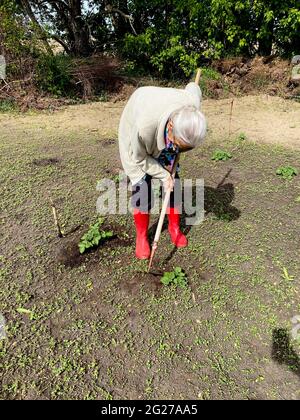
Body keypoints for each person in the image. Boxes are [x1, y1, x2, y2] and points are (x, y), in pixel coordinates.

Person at [118, 81, 207, 260]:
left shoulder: (191, 106)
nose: (182, 151)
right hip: (137, 145)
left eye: (187, 148)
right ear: (171, 128)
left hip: (166, 133)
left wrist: (169, 174)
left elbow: (193, 88)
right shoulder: (144, 126)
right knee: (142, 186)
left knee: (174, 183)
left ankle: (174, 228)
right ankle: (142, 237)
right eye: (181, 146)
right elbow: (139, 158)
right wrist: (161, 174)